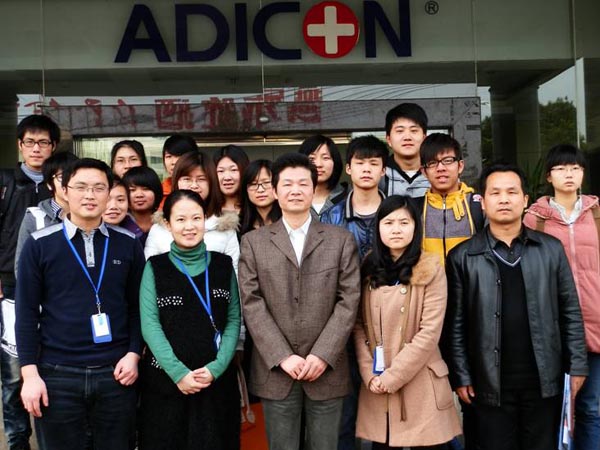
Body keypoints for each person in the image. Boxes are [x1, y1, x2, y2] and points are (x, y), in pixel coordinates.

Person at [443, 162, 589, 450]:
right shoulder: (463, 256)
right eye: (495, 193)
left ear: (525, 200)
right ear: (482, 201)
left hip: (544, 380)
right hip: (487, 383)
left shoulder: (550, 249)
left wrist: (577, 366)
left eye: (512, 192)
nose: (504, 199)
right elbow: (455, 324)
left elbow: (570, 311)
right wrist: (461, 374)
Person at [16, 158, 145, 450]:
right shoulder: (39, 244)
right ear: (64, 190)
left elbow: (138, 308)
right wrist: (30, 373)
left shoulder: (128, 243)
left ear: (109, 193)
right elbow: (25, 314)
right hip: (57, 374)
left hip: (116, 373)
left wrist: (133, 354)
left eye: (99, 188)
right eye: (81, 187)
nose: (90, 195)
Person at [239, 153, 361, 450]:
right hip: (276, 370)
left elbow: (349, 300)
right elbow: (251, 303)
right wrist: (283, 356)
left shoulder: (340, 240)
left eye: (303, 183)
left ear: (314, 188)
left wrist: (322, 354)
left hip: (327, 369)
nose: (295, 190)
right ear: (275, 190)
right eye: (287, 184)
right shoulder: (253, 242)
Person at [354, 195, 461, 449]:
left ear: (416, 227)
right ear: (378, 227)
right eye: (388, 223)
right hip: (377, 383)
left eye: (404, 222)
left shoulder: (431, 267)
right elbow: (358, 326)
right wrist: (369, 373)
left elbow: (429, 332)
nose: (396, 229)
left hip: (420, 381)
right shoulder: (368, 267)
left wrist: (392, 377)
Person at [139, 190, 241, 450]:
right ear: (167, 224)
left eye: (196, 218)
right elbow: (150, 325)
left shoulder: (223, 265)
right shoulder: (155, 266)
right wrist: (178, 373)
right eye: (181, 219)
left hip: (216, 383)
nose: (189, 226)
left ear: (205, 219)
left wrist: (216, 368)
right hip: (166, 383)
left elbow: (233, 320)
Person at [523, 144, 600, 450]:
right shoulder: (534, 220)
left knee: (591, 408)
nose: (569, 174)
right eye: (561, 168)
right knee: (554, 408)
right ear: (548, 176)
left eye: (575, 168)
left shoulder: (597, 215)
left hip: (595, 324)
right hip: (552, 327)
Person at [320, 134, 387, 450]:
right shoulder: (330, 216)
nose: (367, 169)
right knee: (344, 414)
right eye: (360, 163)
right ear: (348, 168)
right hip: (343, 324)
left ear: (384, 170)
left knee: (386, 411)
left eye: (374, 163)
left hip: (388, 322)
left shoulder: (397, 212)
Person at [0, 114, 60, 450]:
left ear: (54, 146)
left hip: (56, 289)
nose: (37, 149)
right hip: (11, 286)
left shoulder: (62, 183)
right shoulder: (6, 182)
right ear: (20, 145)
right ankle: (18, 440)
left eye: (43, 142)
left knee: (50, 365)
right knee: (13, 370)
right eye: (30, 142)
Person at [144, 152, 240, 274]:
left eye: (201, 179)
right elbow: (149, 272)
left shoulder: (225, 228)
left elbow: (234, 272)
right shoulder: (159, 228)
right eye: (187, 179)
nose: (194, 185)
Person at [417, 133, 484, 264]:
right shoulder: (415, 209)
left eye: (447, 161)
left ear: (460, 166)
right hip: (429, 277)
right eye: (432, 163)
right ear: (424, 171)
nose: (440, 168)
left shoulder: (479, 206)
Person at [15, 151, 79, 279]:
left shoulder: (91, 215)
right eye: (62, 176)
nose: (68, 182)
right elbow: (22, 268)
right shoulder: (34, 218)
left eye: (73, 176)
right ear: (49, 184)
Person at [380, 103, 430, 198]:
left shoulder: (438, 172)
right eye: (400, 131)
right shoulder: (378, 175)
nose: (407, 137)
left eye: (414, 131)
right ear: (388, 139)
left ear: (424, 138)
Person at [298, 135, 347, 218]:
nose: (318, 164)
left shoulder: (349, 197)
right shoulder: (293, 197)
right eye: (312, 159)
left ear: (335, 162)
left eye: (325, 158)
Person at [121, 166, 163, 245]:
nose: (139, 195)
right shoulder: (118, 225)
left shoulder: (167, 224)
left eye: (145, 189)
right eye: (132, 190)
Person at [240, 159, 282, 235]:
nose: (260, 190)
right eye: (253, 184)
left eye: (266, 182)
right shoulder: (240, 225)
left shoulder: (289, 221)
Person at [160, 134, 198, 207]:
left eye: (179, 156)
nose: (173, 162)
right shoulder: (159, 192)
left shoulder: (202, 188)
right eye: (169, 156)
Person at [214, 145, 250, 214]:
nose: (227, 178)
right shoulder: (207, 211)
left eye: (233, 170)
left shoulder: (254, 208)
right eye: (221, 171)